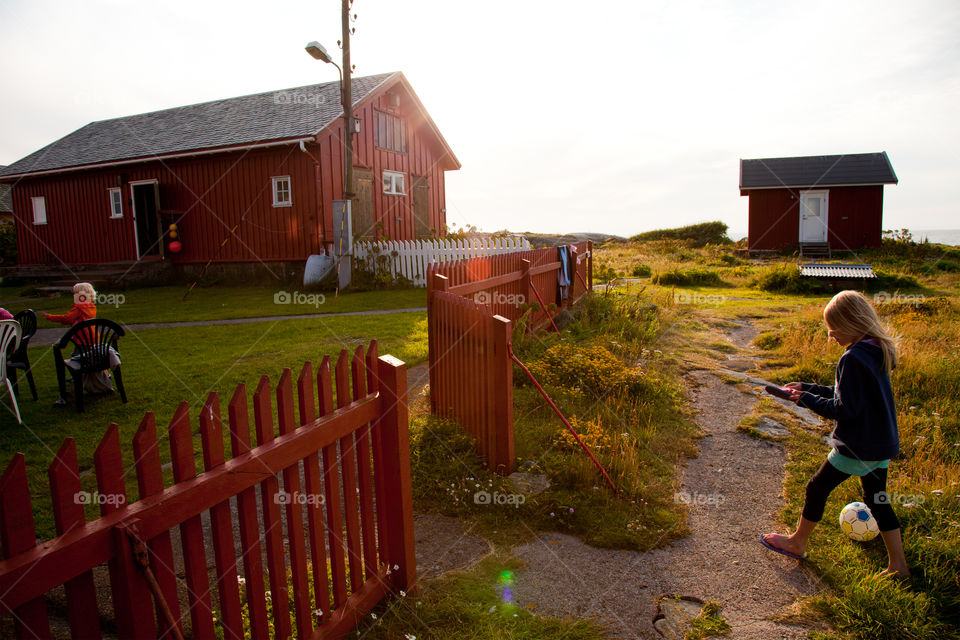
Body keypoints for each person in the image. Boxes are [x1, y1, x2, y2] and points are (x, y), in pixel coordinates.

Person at [760, 290, 910, 579]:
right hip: (881, 445)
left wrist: (802, 400)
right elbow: (848, 394)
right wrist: (808, 389)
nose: (831, 336)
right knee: (877, 498)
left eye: (833, 329)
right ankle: (899, 566)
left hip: (858, 447)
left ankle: (797, 542)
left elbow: (844, 408)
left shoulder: (852, 357)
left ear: (851, 323)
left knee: (816, 488)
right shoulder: (876, 349)